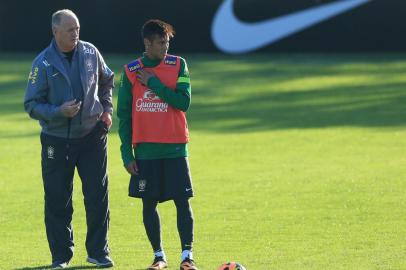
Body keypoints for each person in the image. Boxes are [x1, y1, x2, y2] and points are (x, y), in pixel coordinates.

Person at [24, 9, 114, 269]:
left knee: (97, 195)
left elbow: (107, 80)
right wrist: (58, 112)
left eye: (77, 29)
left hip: (92, 136)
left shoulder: (90, 52)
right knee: (57, 198)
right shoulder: (41, 63)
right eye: (70, 30)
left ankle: (99, 252)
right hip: (56, 140)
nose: (76, 34)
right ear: (55, 32)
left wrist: (106, 110)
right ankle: (61, 257)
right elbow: (31, 104)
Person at [117, 19, 198, 270]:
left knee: (182, 202)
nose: (166, 47)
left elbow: (183, 102)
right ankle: (159, 256)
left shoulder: (178, 65)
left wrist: (153, 83)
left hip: (174, 148)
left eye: (168, 42)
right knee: (148, 203)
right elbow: (124, 115)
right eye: (161, 43)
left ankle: (187, 257)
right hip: (146, 151)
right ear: (147, 43)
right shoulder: (130, 71)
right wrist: (126, 153)